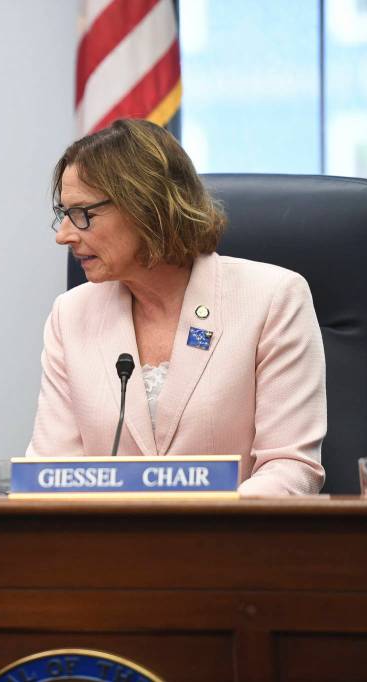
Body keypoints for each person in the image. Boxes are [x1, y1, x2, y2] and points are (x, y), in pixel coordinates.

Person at [27, 119, 326, 495]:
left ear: (145, 206)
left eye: (82, 214)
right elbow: (53, 472)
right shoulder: (70, 314)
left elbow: (290, 468)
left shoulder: (272, 298)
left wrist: (197, 526)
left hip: (235, 531)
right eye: (64, 214)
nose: (63, 235)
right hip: (107, 535)